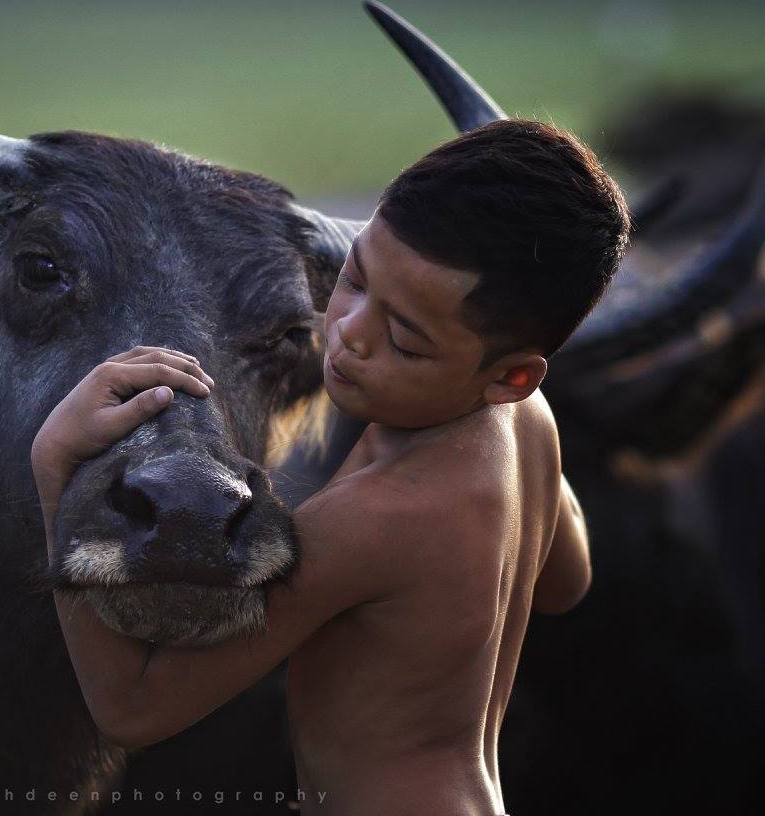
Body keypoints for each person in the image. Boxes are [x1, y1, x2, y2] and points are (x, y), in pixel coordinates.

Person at [31, 119, 630, 815]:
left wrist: (58, 469)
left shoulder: (375, 518)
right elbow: (567, 581)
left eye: (404, 339)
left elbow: (135, 708)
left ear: (511, 375)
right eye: (354, 278)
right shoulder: (528, 422)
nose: (348, 335)